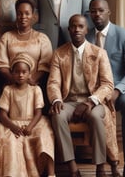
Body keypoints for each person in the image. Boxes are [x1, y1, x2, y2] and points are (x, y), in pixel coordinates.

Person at [47, 14, 115, 177]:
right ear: (69, 29)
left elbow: (108, 84)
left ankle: (100, 167)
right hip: (68, 101)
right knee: (57, 115)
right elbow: (53, 83)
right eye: (73, 26)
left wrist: (91, 102)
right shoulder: (59, 53)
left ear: (86, 30)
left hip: (94, 102)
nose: (77, 29)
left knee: (96, 117)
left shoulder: (99, 53)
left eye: (80, 26)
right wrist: (56, 99)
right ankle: (72, 167)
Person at [87, 0, 125, 177]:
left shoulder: (124, 35)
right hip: (93, 91)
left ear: (109, 12)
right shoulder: (84, 35)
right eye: (93, 11)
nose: (97, 14)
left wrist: (117, 90)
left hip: (120, 88)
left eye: (101, 10)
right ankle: (104, 164)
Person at [0, 52, 55, 177]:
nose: (20, 75)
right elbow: (3, 115)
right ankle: (14, 173)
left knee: (45, 134)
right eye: (17, 72)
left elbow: (38, 113)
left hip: (33, 122)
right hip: (12, 123)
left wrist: (30, 127)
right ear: (12, 73)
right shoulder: (8, 90)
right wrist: (13, 127)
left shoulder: (35, 90)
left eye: (24, 72)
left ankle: (51, 173)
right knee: (10, 142)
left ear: (29, 73)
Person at [0, 0, 52, 86]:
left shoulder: (42, 38)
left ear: (33, 15)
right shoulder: (6, 37)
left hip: (34, 84)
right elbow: (2, 65)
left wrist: (31, 80)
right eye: (19, 13)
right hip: (11, 84)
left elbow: (45, 65)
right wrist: (15, 80)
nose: (23, 17)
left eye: (27, 13)